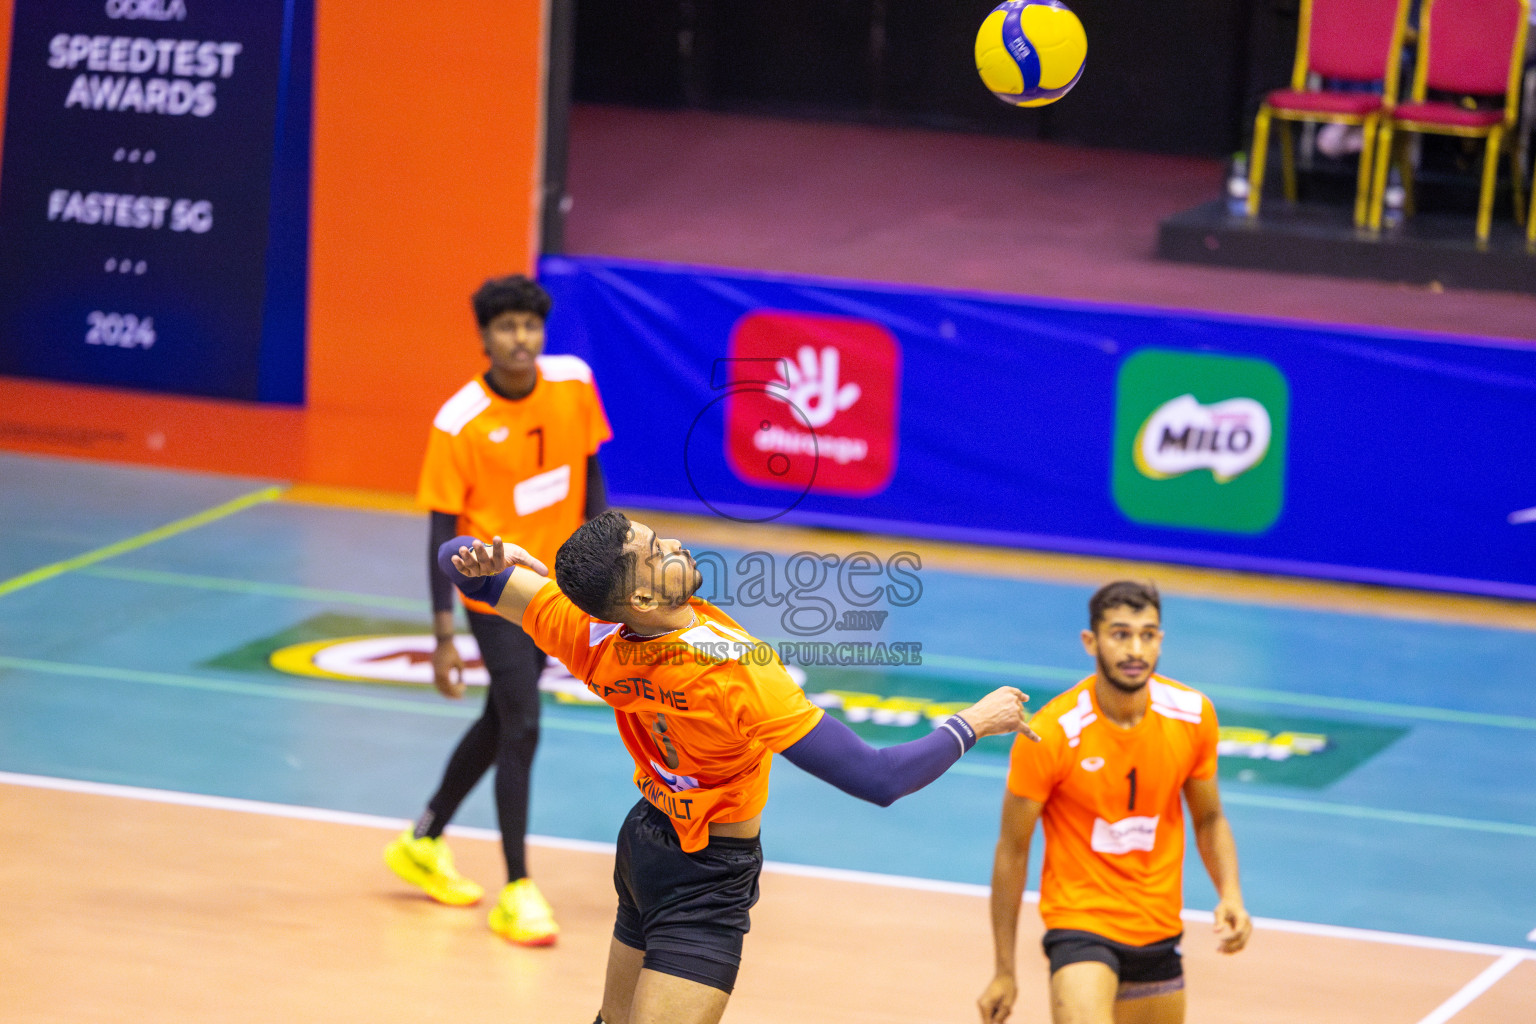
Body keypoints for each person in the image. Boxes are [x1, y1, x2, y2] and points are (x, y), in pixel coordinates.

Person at [440, 515, 1039, 1024]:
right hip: (708, 880)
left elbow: (459, 564)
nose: (674, 546)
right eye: (656, 553)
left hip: (645, 844)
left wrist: (500, 562)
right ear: (642, 600)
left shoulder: (585, 632)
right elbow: (877, 779)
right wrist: (975, 722)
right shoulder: (739, 675)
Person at [383, 274, 611, 947]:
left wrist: (606, 568)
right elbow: (439, 530)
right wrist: (444, 635)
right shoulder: (459, 420)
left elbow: (591, 474)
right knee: (525, 724)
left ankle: (422, 840)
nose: (521, 339)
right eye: (507, 327)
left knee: (502, 717)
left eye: (531, 327)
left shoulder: (572, 381)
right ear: (484, 337)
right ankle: (518, 887)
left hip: (558, 581)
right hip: (493, 586)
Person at [977, 581, 1250, 1024]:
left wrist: (1231, 894)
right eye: (1120, 634)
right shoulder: (1053, 732)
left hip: (1157, 926)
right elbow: (1012, 849)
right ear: (1091, 641)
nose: (1135, 649)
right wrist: (1004, 970)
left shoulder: (1193, 715)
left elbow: (1209, 818)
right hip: (1080, 925)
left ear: (1161, 639)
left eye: (1148, 634)